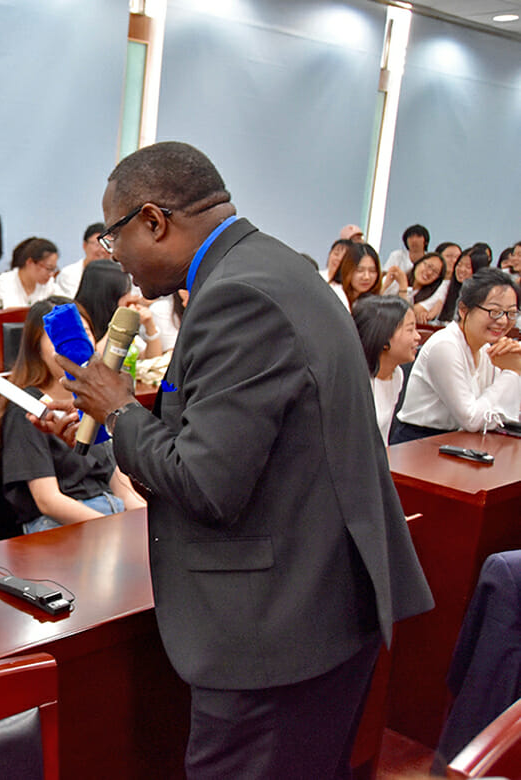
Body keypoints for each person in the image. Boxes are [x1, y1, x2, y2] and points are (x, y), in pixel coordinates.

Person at [39, 141, 432, 777]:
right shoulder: (274, 265)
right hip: (318, 603)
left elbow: (206, 482)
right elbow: (226, 432)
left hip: (276, 630)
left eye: (115, 241)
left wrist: (117, 411)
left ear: (153, 221)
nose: (118, 261)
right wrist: (118, 426)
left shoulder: (237, 296)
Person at [0, 297, 142, 534]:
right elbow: (49, 501)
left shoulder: (95, 402)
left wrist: (148, 523)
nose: (74, 343)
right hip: (61, 527)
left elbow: (122, 489)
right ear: (36, 347)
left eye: (84, 331)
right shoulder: (27, 408)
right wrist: (114, 530)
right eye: (58, 337)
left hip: (108, 515)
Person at [394, 268, 521, 443]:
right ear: (463, 309)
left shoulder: (485, 348)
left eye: (511, 313)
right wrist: (512, 371)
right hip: (419, 443)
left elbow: (500, 414)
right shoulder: (445, 345)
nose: (504, 321)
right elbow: (471, 419)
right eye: (494, 311)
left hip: (457, 440)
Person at [352, 296, 419, 444]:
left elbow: (382, 438)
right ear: (384, 337)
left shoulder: (396, 374)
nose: (417, 337)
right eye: (410, 329)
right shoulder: (355, 381)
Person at [74, 258, 162, 359]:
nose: (131, 297)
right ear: (109, 295)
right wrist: (119, 323)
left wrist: (149, 325)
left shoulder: (115, 316)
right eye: (126, 292)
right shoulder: (78, 319)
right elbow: (93, 360)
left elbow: (152, 359)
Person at [0, 237, 60, 312]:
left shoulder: (50, 284)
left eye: (54, 269)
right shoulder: (4, 281)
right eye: (48, 268)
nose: (51, 274)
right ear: (30, 262)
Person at [53, 223, 110, 298]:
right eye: (98, 244)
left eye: (107, 245)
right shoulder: (69, 275)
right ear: (85, 245)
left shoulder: (119, 274)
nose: (102, 250)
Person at [436, 245, 491, 324]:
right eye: (459, 264)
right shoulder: (449, 287)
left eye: (468, 267)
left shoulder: (484, 296)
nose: (461, 269)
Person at [331, 241, 381, 310]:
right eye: (360, 270)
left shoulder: (371, 301)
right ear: (347, 269)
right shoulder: (335, 294)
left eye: (372, 271)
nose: (366, 277)